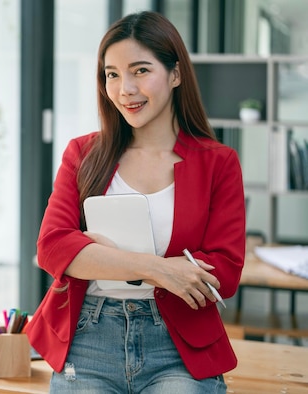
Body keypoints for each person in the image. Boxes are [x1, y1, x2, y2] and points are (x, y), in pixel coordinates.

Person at [25, 11, 245, 394]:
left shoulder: (218, 162)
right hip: (90, 338)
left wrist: (96, 255)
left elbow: (223, 273)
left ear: (175, 74)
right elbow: (52, 246)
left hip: (178, 344)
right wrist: (158, 269)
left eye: (140, 70)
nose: (124, 88)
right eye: (112, 74)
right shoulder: (84, 153)